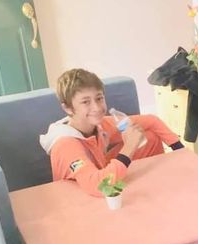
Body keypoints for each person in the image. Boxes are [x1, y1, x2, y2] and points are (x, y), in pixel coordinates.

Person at [40, 68, 185, 197]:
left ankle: (159, 189)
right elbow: (98, 186)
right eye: (85, 102)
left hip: (100, 179)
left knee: (150, 138)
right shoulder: (66, 145)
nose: (96, 108)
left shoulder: (99, 124)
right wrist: (129, 147)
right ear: (68, 109)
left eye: (99, 98)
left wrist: (181, 152)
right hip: (81, 199)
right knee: (133, 147)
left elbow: (151, 121)